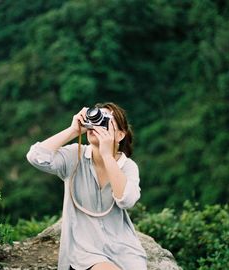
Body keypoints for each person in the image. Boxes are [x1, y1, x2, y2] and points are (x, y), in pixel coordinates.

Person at [26, 102, 147, 270]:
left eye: (104, 121)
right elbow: (36, 157)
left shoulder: (127, 166)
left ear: (120, 135)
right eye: (95, 119)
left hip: (124, 249)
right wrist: (74, 130)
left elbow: (126, 200)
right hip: (84, 250)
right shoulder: (74, 155)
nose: (97, 125)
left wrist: (107, 156)